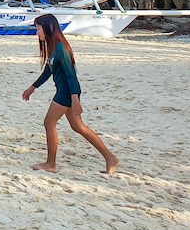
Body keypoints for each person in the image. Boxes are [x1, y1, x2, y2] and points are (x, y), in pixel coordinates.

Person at [21, 14, 120, 175]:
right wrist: (33, 87)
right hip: (65, 91)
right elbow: (48, 70)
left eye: (38, 28)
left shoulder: (61, 47)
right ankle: (110, 158)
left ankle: (51, 163)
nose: (36, 32)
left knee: (49, 123)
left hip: (67, 92)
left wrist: (75, 99)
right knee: (78, 127)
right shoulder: (53, 46)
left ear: (47, 28)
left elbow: (70, 75)